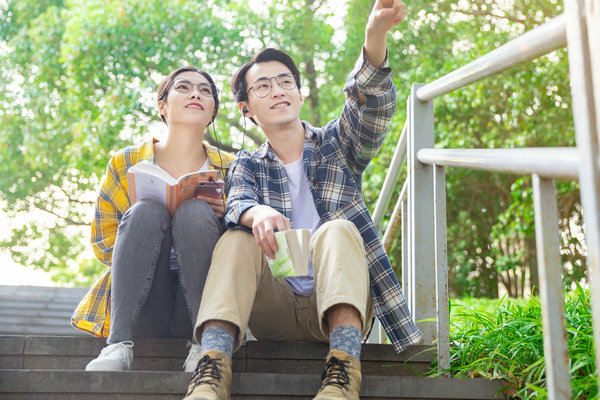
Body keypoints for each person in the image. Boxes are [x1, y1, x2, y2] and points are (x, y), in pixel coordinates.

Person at [184, 0, 422, 399]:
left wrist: (375, 35)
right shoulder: (247, 164)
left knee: (339, 229)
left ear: (297, 91)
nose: (277, 90)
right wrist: (256, 212)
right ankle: (211, 373)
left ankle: (342, 376)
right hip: (275, 306)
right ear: (246, 109)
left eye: (284, 82)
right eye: (263, 86)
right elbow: (237, 200)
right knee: (236, 237)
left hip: (338, 304)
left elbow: (370, 109)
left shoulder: (335, 145)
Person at [71, 66, 234, 373]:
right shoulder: (126, 161)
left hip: (202, 302)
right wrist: (145, 229)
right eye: (183, 88)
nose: (196, 93)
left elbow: (245, 249)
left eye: (205, 91)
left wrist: (222, 218)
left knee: (195, 212)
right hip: (144, 300)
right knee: (145, 210)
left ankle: (204, 345)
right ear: (162, 105)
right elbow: (104, 244)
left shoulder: (232, 166)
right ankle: (117, 345)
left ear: (212, 111)